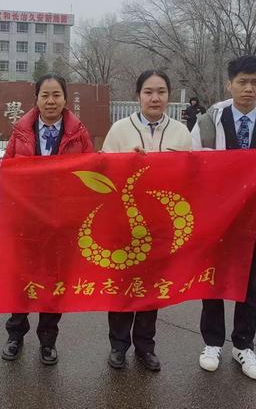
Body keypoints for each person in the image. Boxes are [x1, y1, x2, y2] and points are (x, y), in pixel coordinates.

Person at [0, 72, 93, 365]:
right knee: (21, 280)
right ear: (36, 99)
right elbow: (8, 166)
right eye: (45, 95)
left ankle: (47, 341)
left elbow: (92, 172)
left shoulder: (78, 133)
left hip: (61, 225)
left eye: (56, 95)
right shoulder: (21, 131)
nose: (51, 101)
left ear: (65, 99)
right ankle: (15, 336)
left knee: (53, 284)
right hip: (27, 223)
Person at [102, 69, 192, 371]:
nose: (155, 98)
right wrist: (126, 161)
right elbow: (103, 172)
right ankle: (118, 346)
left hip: (161, 227)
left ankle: (145, 346)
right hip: (124, 225)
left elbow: (191, 178)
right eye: (148, 92)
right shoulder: (119, 129)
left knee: (151, 288)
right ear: (138, 95)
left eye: (161, 91)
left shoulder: (181, 132)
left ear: (168, 95)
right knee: (122, 287)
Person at [191, 55, 256, 380]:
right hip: (218, 217)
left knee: (251, 282)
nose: (249, 88)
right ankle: (212, 342)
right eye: (242, 82)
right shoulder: (208, 121)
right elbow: (192, 168)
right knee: (213, 279)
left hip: (254, 220)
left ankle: (244, 345)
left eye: (255, 83)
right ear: (229, 84)